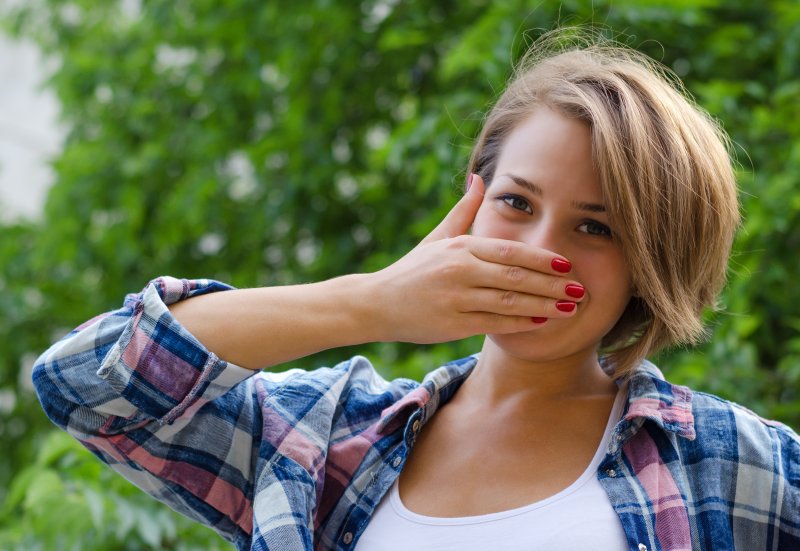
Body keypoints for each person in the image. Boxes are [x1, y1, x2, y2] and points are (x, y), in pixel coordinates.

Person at [33, 33, 799, 551]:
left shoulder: (732, 461)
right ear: (470, 204)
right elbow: (85, 384)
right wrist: (370, 302)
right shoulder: (321, 438)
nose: (539, 253)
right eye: (517, 204)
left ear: (652, 262)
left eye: (595, 228)